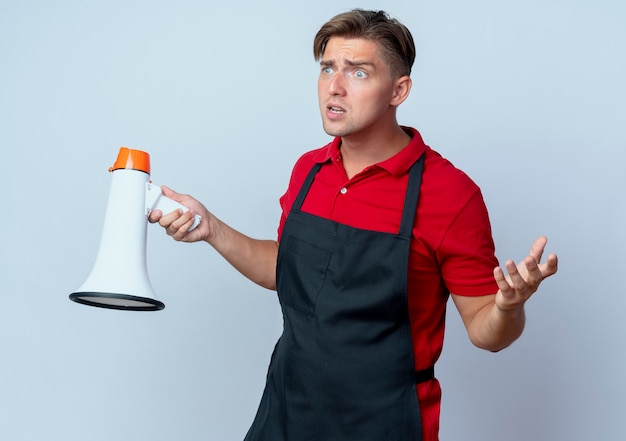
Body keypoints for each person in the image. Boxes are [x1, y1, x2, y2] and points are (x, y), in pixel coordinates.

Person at [149, 9, 558, 441]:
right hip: (286, 412)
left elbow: (485, 331)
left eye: (359, 73)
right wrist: (211, 228)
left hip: (384, 422)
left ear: (398, 90)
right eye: (328, 69)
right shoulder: (310, 170)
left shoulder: (450, 193)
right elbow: (286, 269)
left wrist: (508, 308)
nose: (334, 87)